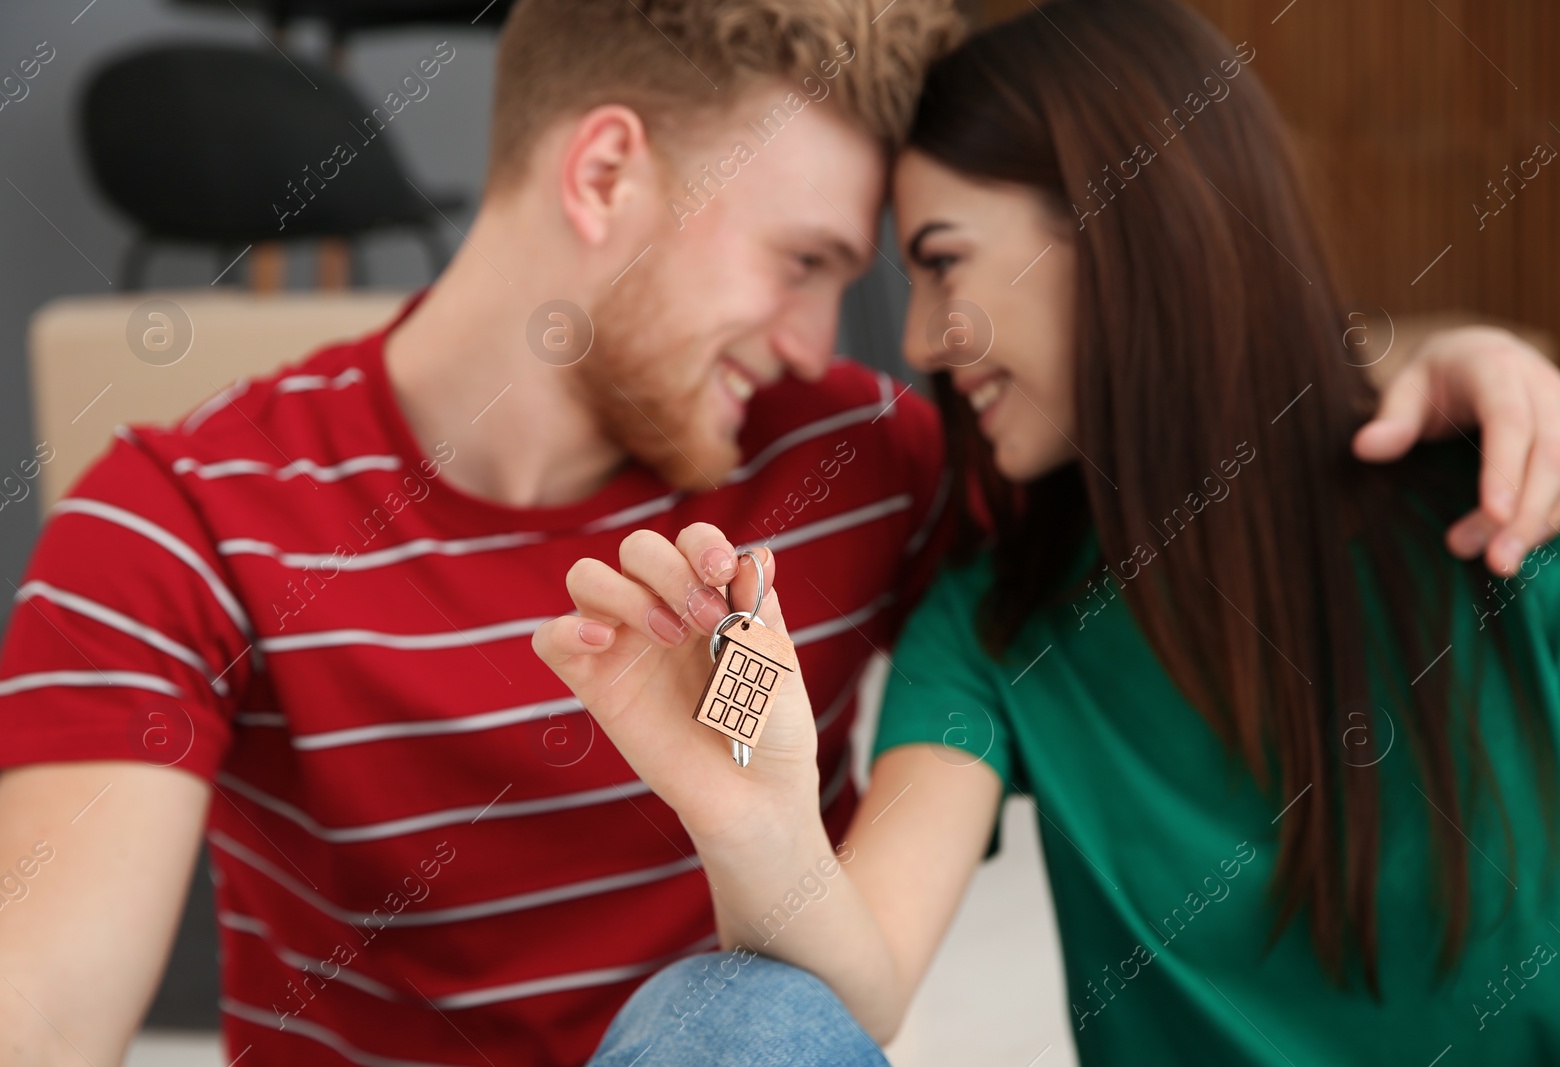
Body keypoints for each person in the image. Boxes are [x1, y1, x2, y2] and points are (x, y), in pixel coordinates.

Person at [0, 1, 1555, 1065]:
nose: (837, 339)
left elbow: (1187, 418)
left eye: (883, 270)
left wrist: (1457, 361)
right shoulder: (182, 513)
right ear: (604, 173)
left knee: (736, 1012)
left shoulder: (869, 464)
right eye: (806, 260)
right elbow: (27, 1013)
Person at [536, 2, 1560, 1066]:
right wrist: (755, 821)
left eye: (942, 259)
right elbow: (864, 980)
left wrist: (1495, 359)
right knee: (727, 1011)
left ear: (1121, 223)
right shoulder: (995, 624)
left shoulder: (1505, 507)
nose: (921, 337)